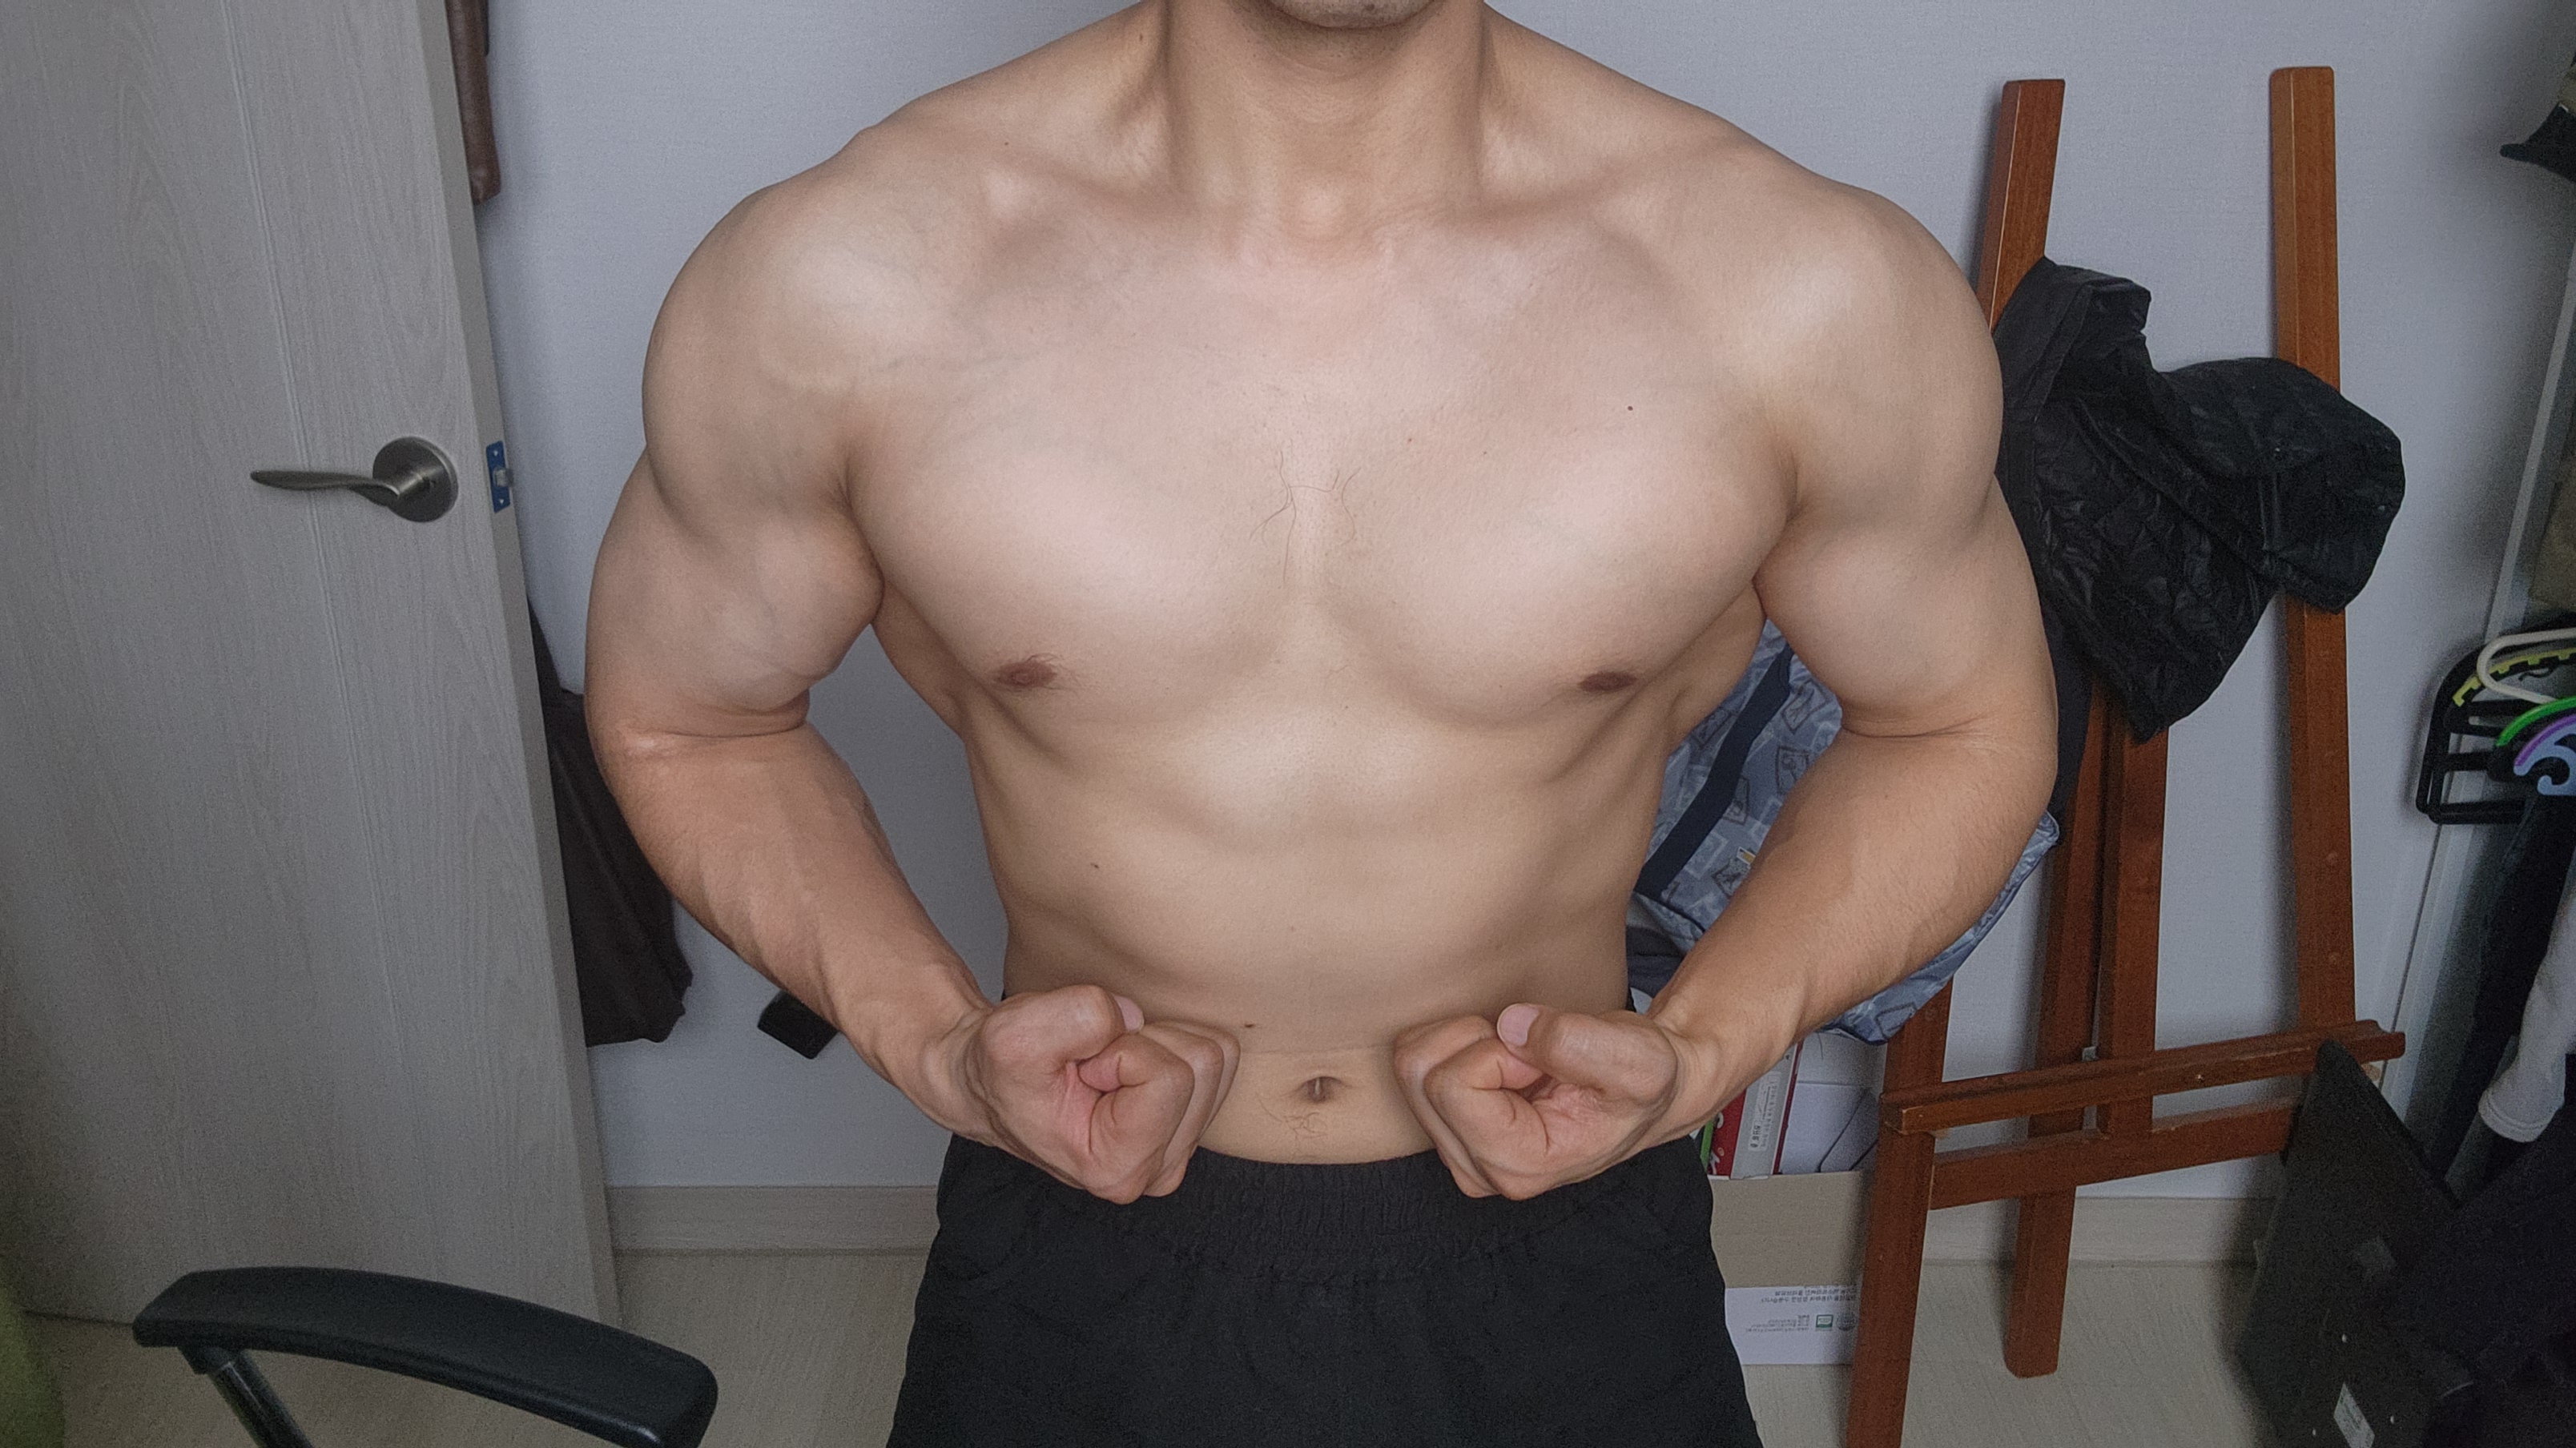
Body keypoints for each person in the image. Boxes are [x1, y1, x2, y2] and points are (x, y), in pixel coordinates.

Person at [584, 1, 2057, 1442]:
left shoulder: (1798, 285)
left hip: (1570, 1234)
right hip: (1081, 1228)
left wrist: (1704, 1054)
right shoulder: (844, 279)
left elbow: (1958, 726)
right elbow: (696, 724)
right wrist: (934, 1048)